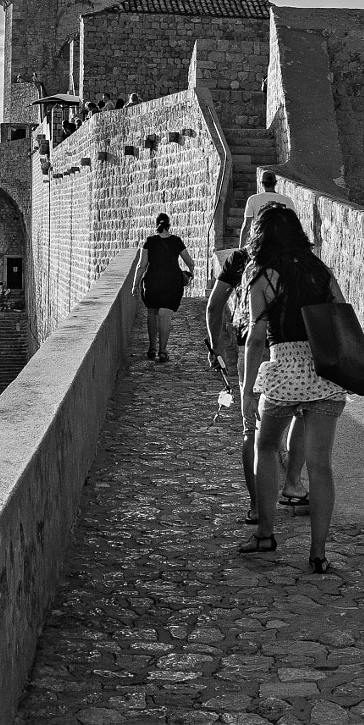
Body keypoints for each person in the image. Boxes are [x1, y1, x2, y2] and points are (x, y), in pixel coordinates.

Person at [239, 204, 348, 572]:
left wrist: (247, 390)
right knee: (321, 466)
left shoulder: (264, 278)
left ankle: (266, 533)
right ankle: (318, 553)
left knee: (265, 445)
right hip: (324, 373)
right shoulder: (321, 272)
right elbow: (341, 316)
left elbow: (255, 339)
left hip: (284, 371)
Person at [206, 245, 309, 525]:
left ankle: (257, 508)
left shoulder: (239, 259)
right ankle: (293, 484)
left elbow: (215, 306)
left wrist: (215, 348)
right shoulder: (296, 259)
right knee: (296, 414)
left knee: (251, 428)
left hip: (249, 349)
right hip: (287, 349)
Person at [133, 213, 194, 362]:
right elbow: (190, 262)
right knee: (165, 316)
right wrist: (190, 276)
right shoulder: (176, 241)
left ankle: (152, 348)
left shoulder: (149, 241)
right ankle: (162, 351)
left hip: (152, 283)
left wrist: (134, 285)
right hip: (172, 284)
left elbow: (141, 266)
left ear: (156, 225)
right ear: (169, 225)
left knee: (152, 314)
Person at [237, 171, 291, 248]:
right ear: (275, 183)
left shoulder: (253, 199)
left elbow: (246, 226)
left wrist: (240, 249)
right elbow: (293, 226)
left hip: (259, 245)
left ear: (262, 183)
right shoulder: (287, 201)